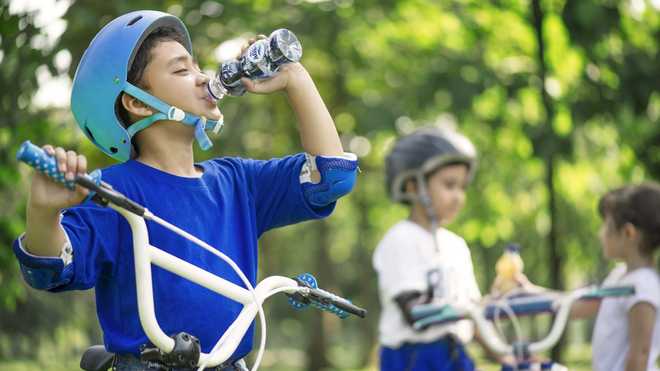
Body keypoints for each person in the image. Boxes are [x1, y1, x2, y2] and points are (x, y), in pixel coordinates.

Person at [12, 10, 358, 370]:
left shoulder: (238, 181)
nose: (202, 78)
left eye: (197, 68)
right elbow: (50, 267)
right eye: (181, 70)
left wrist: (294, 78)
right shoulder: (112, 189)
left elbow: (332, 177)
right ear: (137, 102)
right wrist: (44, 211)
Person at [373, 126, 485, 371]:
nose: (458, 196)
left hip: (454, 353)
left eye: (462, 187)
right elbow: (415, 314)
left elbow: (476, 318)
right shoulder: (400, 239)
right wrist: (470, 310)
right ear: (413, 186)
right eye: (449, 185)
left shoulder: (456, 246)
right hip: (412, 358)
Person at [572, 182, 660, 371]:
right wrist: (529, 291)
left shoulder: (643, 286)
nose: (600, 234)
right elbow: (573, 307)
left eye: (606, 225)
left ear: (628, 233)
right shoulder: (619, 276)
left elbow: (640, 356)